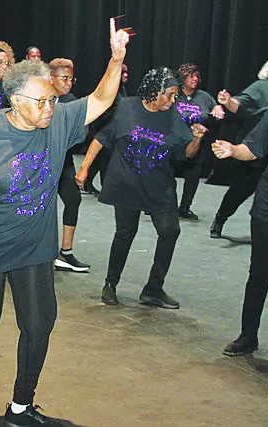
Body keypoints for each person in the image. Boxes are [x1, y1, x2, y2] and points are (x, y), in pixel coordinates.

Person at [0, 19, 129, 427]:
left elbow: (101, 99)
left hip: (33, 246)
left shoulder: (58, 121)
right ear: (15, 100)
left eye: (52, 100)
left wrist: (116, 59)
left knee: (39, 325)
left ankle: (20, 407)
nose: (49, 107)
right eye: (41, 101)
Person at [76, 67, 208, 310]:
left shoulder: (173, 116)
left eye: (175, 95)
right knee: (125, 232)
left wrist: (197, 139)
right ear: (154, 92)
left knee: (170, 231)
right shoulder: (127, 108)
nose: (172, 100)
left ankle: (153, 289)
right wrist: (84, 168)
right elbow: (102, 138)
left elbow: (186, 154)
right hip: (127, 182)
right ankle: (110, 284)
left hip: (159, 185)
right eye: (169, 94)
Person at [213, 109, 268, 357]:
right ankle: (248, 336)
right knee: (259, 274)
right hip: (267, 209)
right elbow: (253, 149)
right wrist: (233, 150)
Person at [209, 69, 268, 238]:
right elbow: (240, 104)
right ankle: (220, 218)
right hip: (254, 146)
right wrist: (228, 102)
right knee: (240, 190)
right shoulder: (262, 87)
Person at [48, 57, 90, 272]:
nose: (69, 83)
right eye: (64, 78)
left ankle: (66, 252)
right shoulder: (41, 98)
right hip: (41, 162)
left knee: (73, 199)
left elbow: (80, 134)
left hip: (63, 162)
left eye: (71, 79)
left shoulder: (71, 101)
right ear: (51, 78)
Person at [174, 63, 224, 220]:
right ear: (182, 78)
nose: (195, 79)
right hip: (175, 141)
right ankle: (158, 204)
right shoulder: (174, 94)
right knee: (164, 175)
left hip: (196, 142)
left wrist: (218, 110)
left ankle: (185, 207)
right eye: (191, 76)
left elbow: (216, 111)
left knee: (193, 176)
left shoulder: (204, 96)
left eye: (196, 76)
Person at [83, 63, 131, 195]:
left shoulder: (121, 89)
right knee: (103, 159)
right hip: (102, 128)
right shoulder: (110, 89)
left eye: (126, 72)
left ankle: (91, 184)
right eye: (122, 72)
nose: (126, 75)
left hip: (111, 129)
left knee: (102, 160)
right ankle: (103, 187)